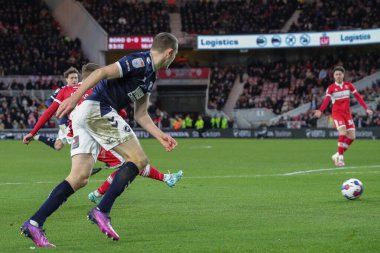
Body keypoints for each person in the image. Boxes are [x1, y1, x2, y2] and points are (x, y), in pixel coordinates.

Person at [21, 32, 179, 247]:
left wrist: (161, 135)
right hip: (97, 109)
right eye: (175, 56)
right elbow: (103, 72)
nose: (173, 60)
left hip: (87, 115)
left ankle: (34, 222)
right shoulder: (140, 61)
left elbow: (141, 115)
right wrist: (74, 97)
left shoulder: (149, 76)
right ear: (169, 52)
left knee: (79, 178)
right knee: (139, 160)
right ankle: (102, 210)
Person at [313, 66, 373, 167]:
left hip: (347, 114)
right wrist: (320, 110)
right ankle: (340, 158)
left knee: (352, 136)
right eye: (336, 75)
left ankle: (336, 155)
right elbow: (326, 100)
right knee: (343, 133)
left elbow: (358, 96)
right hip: (337, 114)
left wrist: (366, 108)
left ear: (343, 75)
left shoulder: (348, 85)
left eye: (340, 74)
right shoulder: (331, 88)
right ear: (334, 76)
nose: (338, 76)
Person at [31, 67, 79, 150]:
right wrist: (61, 111)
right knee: (78, 144)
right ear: (66, 79)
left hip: (77, 121)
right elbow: (49, 102)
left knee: (58, 146)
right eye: (72, 78)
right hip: (66, 123)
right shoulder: (62, 90)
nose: (74, 80)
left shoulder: (81, 88)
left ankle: (36, 136)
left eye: (76, 78)